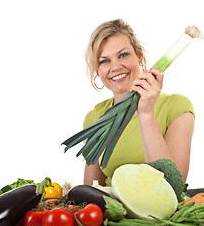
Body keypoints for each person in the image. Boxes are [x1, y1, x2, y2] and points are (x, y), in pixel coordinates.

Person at [83, 19, 195, 186]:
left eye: (123, 55)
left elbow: (173, 186)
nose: (115, 66)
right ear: (97, 71)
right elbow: (90, 189)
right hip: (113, 211)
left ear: (139, 56)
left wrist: (146, 113)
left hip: (160, 212)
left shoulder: (176, 107)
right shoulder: (95, 118)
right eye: (104, 61)